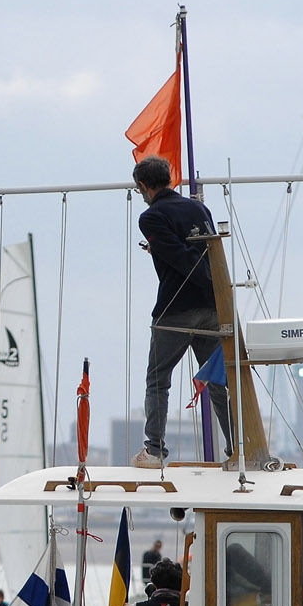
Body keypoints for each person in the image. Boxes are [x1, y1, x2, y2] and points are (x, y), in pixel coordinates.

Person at [130, 155, 231, 467]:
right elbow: (203, 248)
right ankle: (238, 448)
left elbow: (183, 258)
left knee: (158, 380)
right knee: (218, 381)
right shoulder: (199, 208)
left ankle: (155, 450)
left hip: (175, 310)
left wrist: (163, 247)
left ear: (144, 186)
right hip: (212, 306)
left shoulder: (150, 218)